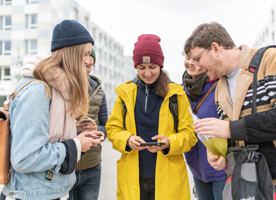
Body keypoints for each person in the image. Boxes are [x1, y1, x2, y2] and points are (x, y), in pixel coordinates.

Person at [185, 22, 276, 200]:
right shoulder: (219, 87)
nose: (196, 67)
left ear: (215, 48)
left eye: (197, 58)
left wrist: (230, 128)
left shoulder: (271, 58)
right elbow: (239, 137)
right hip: (249, 187)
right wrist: (221, 155)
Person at [0, 19, 104, 200]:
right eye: (85, 53)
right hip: (31, 195)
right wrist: (76, 145)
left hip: (44, 191)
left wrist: (78, 131)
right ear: (72, 53)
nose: (88, 60)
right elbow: (25, 157)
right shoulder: (39, 89)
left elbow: (43, 136)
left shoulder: (57, 87)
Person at [105, 34, 198, 200]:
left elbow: (189, 134)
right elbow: (112, 129)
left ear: (161, 65)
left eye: (152, 67)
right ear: (135, 67)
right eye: (141, 67)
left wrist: (169, 142)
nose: (147, 73)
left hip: (168, 178)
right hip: (133, 177)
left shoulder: (177, 94)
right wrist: (127, 139)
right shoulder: (124, 93)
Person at [182, 52, 226, 199]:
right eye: (188, 58)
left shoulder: (221, 85)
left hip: (221, 168)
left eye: (196, 59)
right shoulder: (181, 91)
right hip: (197, 169)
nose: (191, 62)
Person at [68, 48, 108, 200]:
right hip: (66, 167)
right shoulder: (62, 88)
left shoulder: (99, 92)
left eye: (90, 66)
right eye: (84, 64)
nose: (86, 69)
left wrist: (96, 129)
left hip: (92, 168)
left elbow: (107, 129)